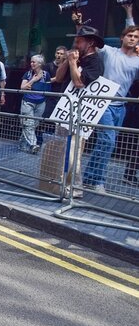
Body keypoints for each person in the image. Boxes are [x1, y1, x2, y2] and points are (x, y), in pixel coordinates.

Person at [81, 23, 139, 192]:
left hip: (120, 107)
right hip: (102, 103)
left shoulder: (137, 61)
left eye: (136, 37)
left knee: (106, 144)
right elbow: (91, 41)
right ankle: (98, 180)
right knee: (108, 141)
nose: (132, 39)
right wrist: (79, 23)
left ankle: (89, 178)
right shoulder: (109, 51)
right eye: (130, 36)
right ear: (122, 38)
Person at [52, 24, 104, 197]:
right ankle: (69, 186)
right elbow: (59, 78)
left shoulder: (95, 62)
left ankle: (71, 187)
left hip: (80, 115)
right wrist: (67, 61)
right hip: (66, 111)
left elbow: (80, 83)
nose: (75, 44)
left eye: (79, 41)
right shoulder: (75, 56)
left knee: (74, 152)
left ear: (89, 43)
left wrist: (73, 63)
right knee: (64, 149)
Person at [18, 54, 50, 154]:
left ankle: (22, 145)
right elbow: (22, 88)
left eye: (34, 62)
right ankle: (33, 144)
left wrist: (32, 87)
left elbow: (48, 89)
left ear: (40, 64)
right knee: (28, 124)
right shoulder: (28, 74)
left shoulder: (46, 75)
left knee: (33, 124)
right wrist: (33, 81)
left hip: (40, 103)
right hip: (28, 102)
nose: (31, 64)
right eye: (31, 62)